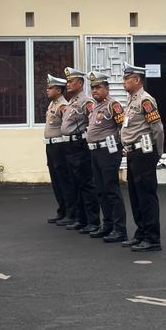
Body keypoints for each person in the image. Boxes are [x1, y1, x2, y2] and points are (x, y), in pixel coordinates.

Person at [120, 64, 165, 253]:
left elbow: (158, 129)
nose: (123, 82)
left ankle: (152, 238)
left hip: (144, 153)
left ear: (137, 80)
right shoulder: (131, 100)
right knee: (135, 195)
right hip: (133, 153)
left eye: (126, 79)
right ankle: (141, 232)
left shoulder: (146, 100)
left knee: (146, 195)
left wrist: (157, 153)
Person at [83, 73, 127, 243]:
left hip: (108, 151)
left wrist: (122, 147)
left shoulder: (113, 105)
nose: (95, 90)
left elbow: (123, 127)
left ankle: (119, 229)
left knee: (111, 190)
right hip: (95, 152)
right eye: (92, 87)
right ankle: (107, 225)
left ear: (107, 88)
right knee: (100, 190)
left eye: (98, 87)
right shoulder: (95, 106)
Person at [58, 67, 100, 232]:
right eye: (67, 81)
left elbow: (93, 122)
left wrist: (86, 139)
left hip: (79, 145)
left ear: (80, 83)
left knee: (86, 184)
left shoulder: (86, 101)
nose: (67, 84)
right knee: (75, 183)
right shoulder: (71, 101)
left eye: (71, 81)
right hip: (69, 146)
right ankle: (80, 218)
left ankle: (93, 221)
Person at [43, 74, 74, 225]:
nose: (47, 90)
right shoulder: (52, 104)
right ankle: (61, 210)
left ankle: (70, 213)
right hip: (50, 145)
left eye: (50, 88)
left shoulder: (63, 106)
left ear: (59, 90)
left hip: (59, 146)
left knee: (64, 180)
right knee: (56, 180)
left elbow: (67, 126)